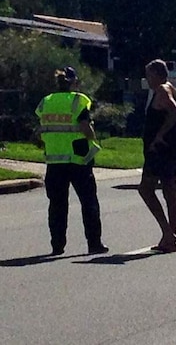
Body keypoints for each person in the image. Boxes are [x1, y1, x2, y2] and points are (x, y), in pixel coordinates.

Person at [34, 66, 108, 255]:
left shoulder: (46, 102)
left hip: (54, 162)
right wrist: (92, 136)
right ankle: (94, 243)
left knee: (57, 205)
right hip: (78, 160)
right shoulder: (78, 100)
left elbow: (40, 130)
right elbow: (85, 127)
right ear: (74, 82)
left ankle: (57, 245)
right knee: (88, 202)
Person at [139, 59, 176, 253]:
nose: (147, 79)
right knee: (169, 191)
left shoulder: (162, 90)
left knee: (145, 189)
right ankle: (169, 240)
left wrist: (160, 136)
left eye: (149, 74)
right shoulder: (173, 90)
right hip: (173, 149)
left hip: (159, 151)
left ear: (158, 74)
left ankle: (168, 233)